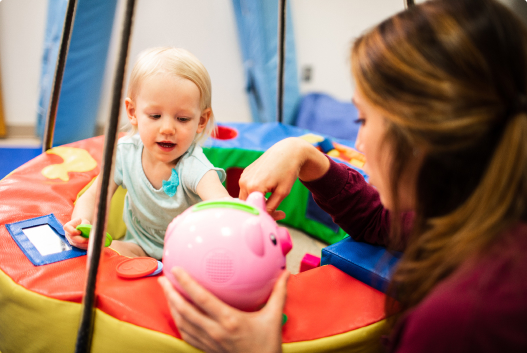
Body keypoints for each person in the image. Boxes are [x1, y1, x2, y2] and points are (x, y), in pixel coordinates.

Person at [158, 0, 527, 352]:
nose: (360, 142)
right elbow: (387, 224)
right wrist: (304, 154)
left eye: (363, 120)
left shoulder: (459, 321)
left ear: (422, 137)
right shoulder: (478, 211)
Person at [64, 47, 230, 259]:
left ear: (201, 121)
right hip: (138, 246)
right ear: (133, 112)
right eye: (155, 116)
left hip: (189, 252)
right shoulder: (125, 154)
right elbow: (94, 196)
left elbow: (221, 204)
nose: (168, 129)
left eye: (182, 119)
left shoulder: (194, 166)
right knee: (105, 255)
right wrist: (81, 224)